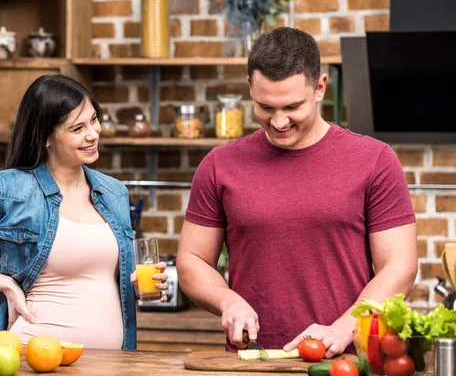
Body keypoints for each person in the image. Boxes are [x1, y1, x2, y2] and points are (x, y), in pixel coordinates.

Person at [176, 27, 417, 357]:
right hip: (251, 364)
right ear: (250, 88)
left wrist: (343, 329)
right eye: (265, 106)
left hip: (345, 366)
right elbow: (191, 260)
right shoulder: (220, 164)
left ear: (320, 88)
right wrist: (226, 299)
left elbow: (400, 267)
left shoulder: (374, 160)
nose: (278, 121)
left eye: (292, 107)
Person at [0, 74, 168, 349]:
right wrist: (5, 284)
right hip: (29, 360)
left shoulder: (114, 192)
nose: (93, 134)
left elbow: (104, 280)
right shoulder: (10, 190)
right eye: (77, 128)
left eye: (93, 119)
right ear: (46, 137)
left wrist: (138, 286)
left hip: (111, 366)